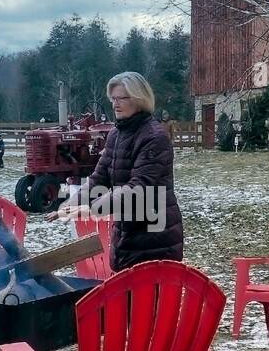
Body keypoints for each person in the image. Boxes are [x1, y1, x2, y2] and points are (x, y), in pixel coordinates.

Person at [52, 71, 183, 270]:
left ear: (139, 99)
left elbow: (138, 188)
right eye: (113, 98)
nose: (115, 104)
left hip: (156, 239)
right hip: (127, 235)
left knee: (146, 300)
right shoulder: (116, 134)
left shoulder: (154, 137)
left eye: (122, 98)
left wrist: (93, 209)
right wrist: (68, 206)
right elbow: (99, 179)